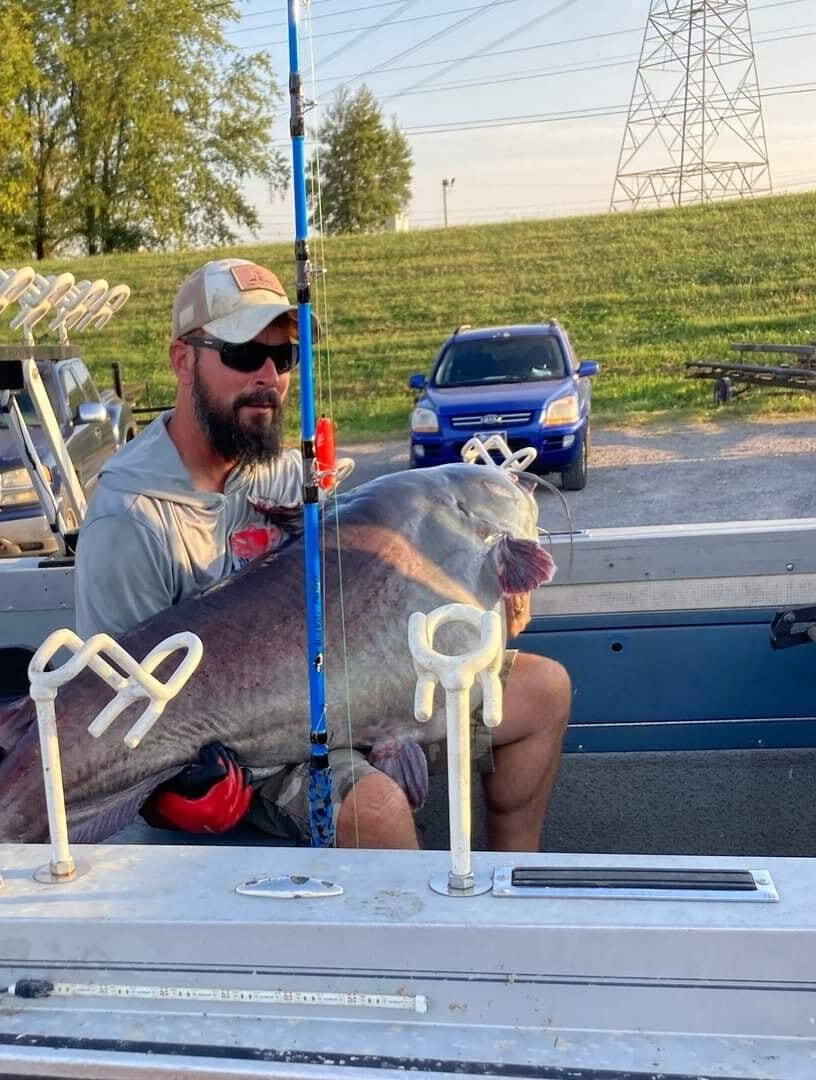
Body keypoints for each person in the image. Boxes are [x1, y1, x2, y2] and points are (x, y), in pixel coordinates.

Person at [74, 257, 570, 850]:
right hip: (252, 746)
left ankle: (510, 889)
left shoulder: (287, 475)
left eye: (281, 357)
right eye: (241, 354)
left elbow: (372, 582)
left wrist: (488, 591)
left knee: (545, 690)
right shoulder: (129, 519)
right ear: (183, 359)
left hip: (348, 691)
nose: (267, 376)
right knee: (376, 808)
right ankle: (420, 943)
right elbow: (110, 708)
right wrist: (177, 791)